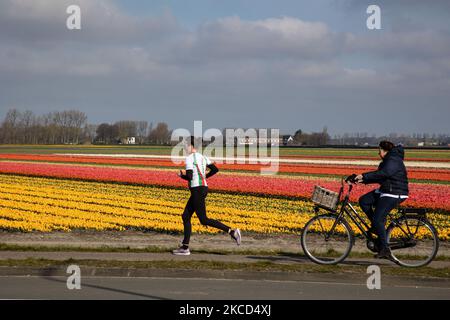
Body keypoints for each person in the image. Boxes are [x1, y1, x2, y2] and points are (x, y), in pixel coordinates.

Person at [172, 136, 241, 255]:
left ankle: (232, 232)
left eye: (186, 146)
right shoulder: (203, 157)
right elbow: (215, 170)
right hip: (202, 188)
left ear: (191, 146)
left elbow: (189, 176)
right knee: (185, 216)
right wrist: (205, 177)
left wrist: (181, 175)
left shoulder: (189, 158)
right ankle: (185, 247)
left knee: (203, 219)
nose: (185, 148)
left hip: (197, 190)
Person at [354, 141, 409, 259]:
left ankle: (385, 249)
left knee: (377, 218)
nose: (378, 152)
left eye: (379, 149)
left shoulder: (393, 159)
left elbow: (384, 173)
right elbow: (380, 177)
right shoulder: (389, 159)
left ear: (385, 150)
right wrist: (360, 180)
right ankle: (377, 227)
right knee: (364, 201)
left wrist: (364, 176)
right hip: (387, 190)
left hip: (395, 193)